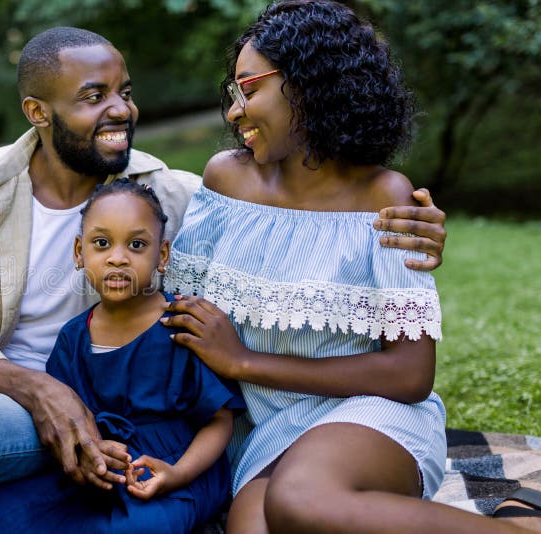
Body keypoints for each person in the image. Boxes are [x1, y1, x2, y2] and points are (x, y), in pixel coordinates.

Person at [0, 26, 448, 533]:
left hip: (59, 407)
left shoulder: (166, 193)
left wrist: (416, 226)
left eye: (124, 92)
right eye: (93, 97)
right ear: (38, 114)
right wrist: (33, 385)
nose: (121, 111)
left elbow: (297, 215)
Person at [161, 2, 541, 533]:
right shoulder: (225, 181)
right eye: (234, 92)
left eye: (250, 89)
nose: (233, 111)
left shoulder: (382, 196)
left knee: (301, 500)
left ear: (309, 86)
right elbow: (181, 318)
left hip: (371, 413)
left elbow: (409, 375)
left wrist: (245, 362)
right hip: (266, 428)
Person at [0, 178, 245, 533]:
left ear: (162, 255)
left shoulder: (182, 326)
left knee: (137, 527)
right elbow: (67, 422)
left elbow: (219, 422)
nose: (118, 258)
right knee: (6, 513)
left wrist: (177, 474)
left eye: (136, 244)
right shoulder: (73, 338)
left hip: (172, 471)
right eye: (101, 243)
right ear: (79, 252)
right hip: (98, 469)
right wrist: (90, 454)